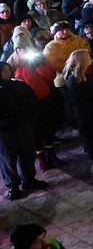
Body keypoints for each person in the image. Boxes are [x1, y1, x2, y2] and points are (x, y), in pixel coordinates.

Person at [0, 63, 45, 200]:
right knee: (8, 159)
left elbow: (32, 100)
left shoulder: (19, 85)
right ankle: (13, 186)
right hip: (5, 131)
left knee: (27, 154)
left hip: (23, 126)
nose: (7, 73)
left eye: (9, 70)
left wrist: (29, 118)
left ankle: (29, 179)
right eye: (4, 71)